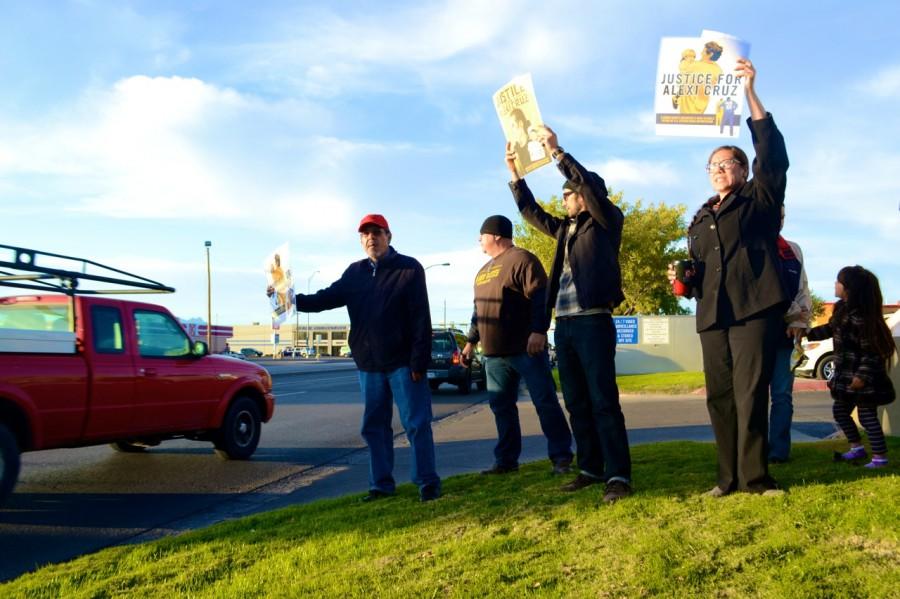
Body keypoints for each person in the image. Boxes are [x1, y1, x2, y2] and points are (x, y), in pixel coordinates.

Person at [669, 58, 788, 496]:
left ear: (743, 169)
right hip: (712, 315)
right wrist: (683, 280)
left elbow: (772, 156)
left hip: (753, 310)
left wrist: (750, 91)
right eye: (713, 165)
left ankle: (756, 478)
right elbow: (699, 271)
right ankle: (727, 479)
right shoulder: (700, 217)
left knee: (750, 395)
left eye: (727, 163)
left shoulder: (759, 198)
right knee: (719, 397)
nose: (719, 169)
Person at [505, 126, 633, 504]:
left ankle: (618, 475)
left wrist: (557, 152)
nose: (564, 198)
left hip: (594, 320)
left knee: (603, 401)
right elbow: (531, 213)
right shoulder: (565, 231)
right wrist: (515, 174)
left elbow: (589, 188)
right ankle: (590, 469)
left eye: (569, 192)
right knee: (576, 402)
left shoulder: (607, 221)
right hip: (566, 326)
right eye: (562, 195)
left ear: (586, 195)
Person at [276, 214, 441, 502]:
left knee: (416, 423)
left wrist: (419, 361)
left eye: (377, 232)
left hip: (403, 364)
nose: (371, 238)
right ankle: (381, 485)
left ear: (389, 236)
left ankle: (427, 482)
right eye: (365, 234)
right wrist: (289, 299)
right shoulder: (355, 273)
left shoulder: (409, 269)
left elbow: (420, 318)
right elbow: (325, 299)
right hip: (370, 366)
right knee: (374, 427)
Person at [461, 215, 574, 476]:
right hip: (494, 355)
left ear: (496, 235)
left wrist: (538, 331)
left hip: (526, 350)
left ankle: (561, 457)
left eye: (482, 234)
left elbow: (540, 298)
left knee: (544, 401)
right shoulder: (481, 273)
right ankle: (506, 461)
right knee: (502, 408)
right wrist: (470, 342)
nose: (479, 240)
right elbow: (479, 312)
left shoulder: (523, 259)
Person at [806, 266, 896, 469]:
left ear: (850, 288)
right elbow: (831, 329)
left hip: (864, 380)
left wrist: (861, 376)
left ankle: (880, 458)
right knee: (840, 411)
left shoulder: (863, 318)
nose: (835, 285)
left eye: (839, 282)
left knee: (867, 417)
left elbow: (872, 352)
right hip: (845, 376)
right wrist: (806, 333)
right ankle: (856, 447)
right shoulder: (841, 310)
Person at [768, 207, 812, 463]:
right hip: (755, 337)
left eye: (782, 216)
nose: (779, 220)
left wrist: (799, 320)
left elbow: (803, 289)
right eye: (775, 215)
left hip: (786, 337)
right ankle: (753, 450)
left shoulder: (792, 250)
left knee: (782, 396)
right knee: (754, 396)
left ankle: (779, 452)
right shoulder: (752, 246)